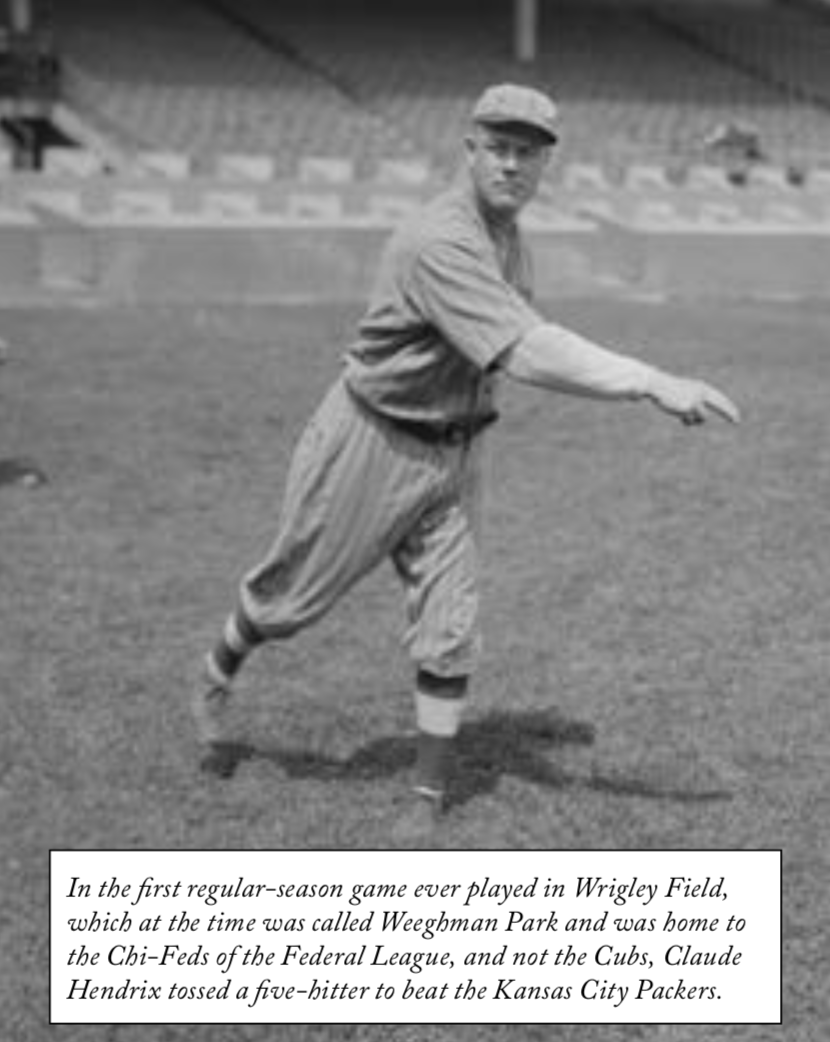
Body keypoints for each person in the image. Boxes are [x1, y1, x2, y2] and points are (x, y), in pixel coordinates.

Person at [192, 84, 740, 829]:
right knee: (289, 600)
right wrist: (650, 381)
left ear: (545, 165)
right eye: (501, 148)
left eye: (529, 153)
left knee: (451, 627)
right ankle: (220, 666)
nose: (513, 165)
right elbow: (526, 348)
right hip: (372, 434)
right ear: (471, 150)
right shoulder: (438, 239)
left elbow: (516, 336)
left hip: (455, 446)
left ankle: (426, 799)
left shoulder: (509, 236)